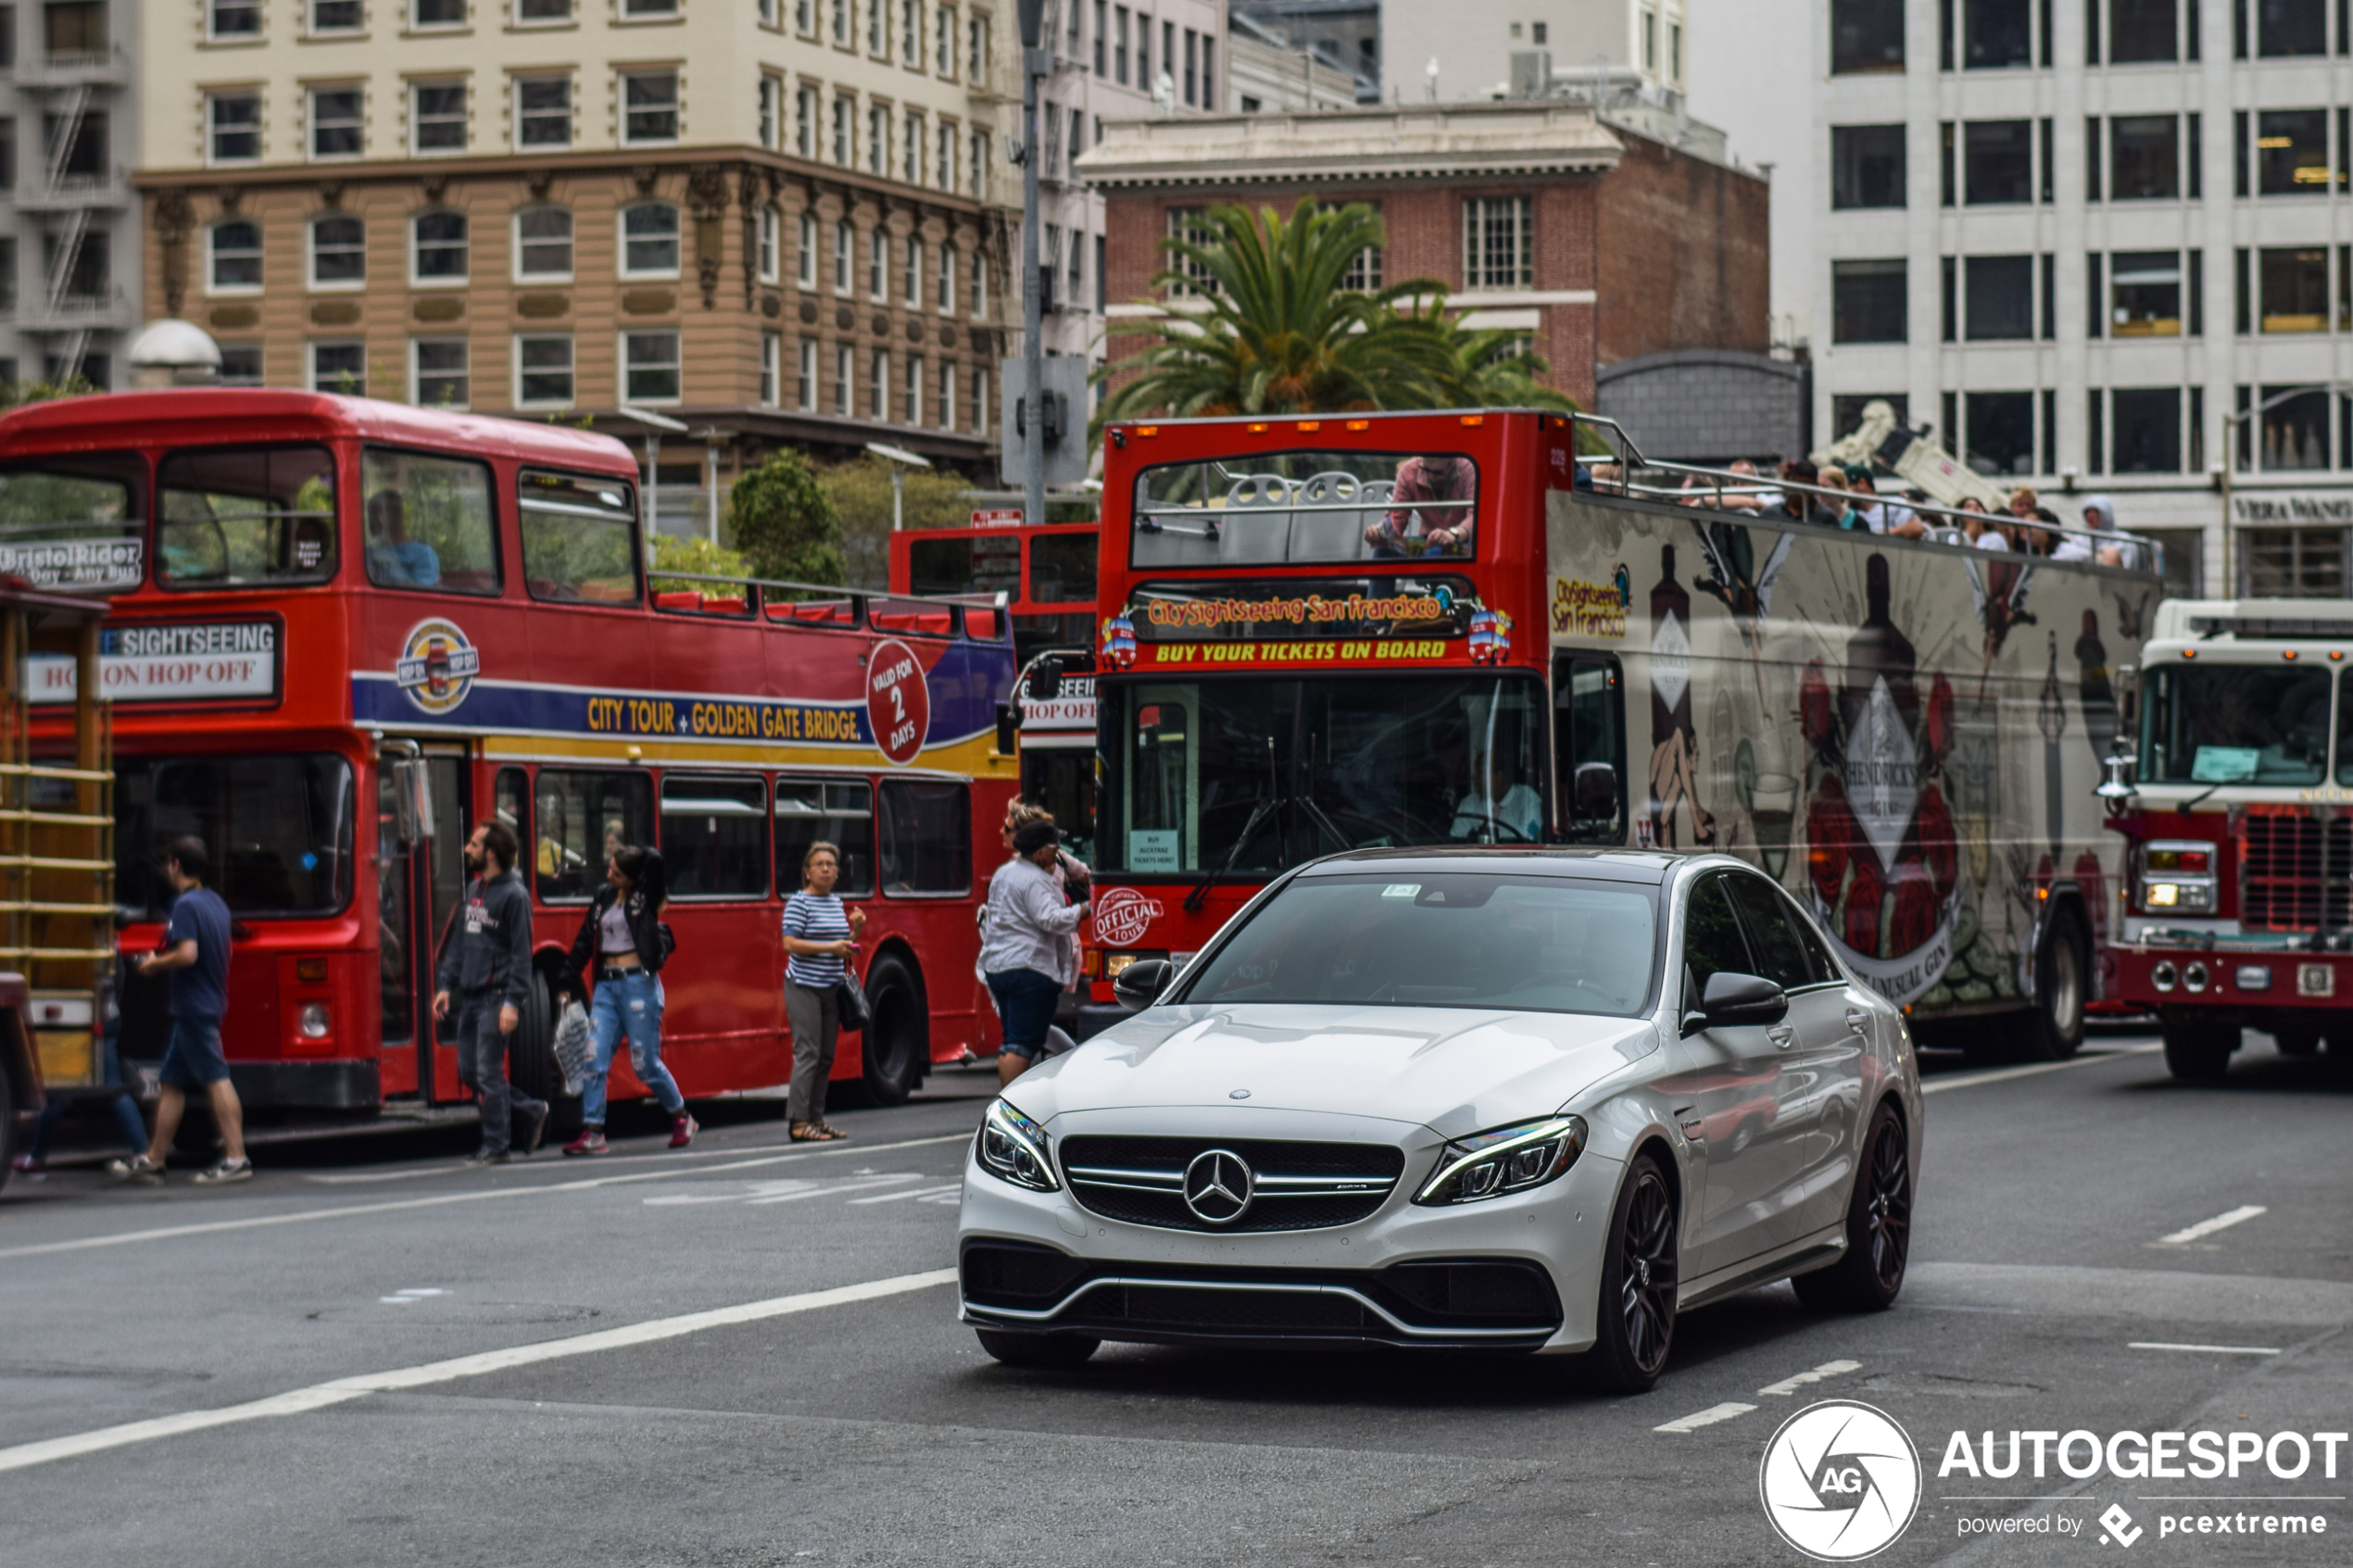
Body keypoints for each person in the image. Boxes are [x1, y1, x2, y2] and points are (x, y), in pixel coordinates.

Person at [108, 836, 249, 1186]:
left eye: (166, 864)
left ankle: (236, 1157)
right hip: (208, 1000)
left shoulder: (185, 906)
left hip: (193, 1005)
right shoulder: (215, 902)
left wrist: (154, 964)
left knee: (216, 1077)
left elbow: (187, 954)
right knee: (171, 1083)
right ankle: (154, 1159)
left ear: (174, 865)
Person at [560, 846, 693, 1156]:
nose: (609, 875)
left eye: (617, 872)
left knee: (644, 1063)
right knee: (593, 1059)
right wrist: (566, 979)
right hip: (607, 987)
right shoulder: (603, 896)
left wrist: (637, 856)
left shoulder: (646, 897)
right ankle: (594, 1132)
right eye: (609, 868)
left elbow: (657, 862)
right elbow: (584, 938)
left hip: (638, 985)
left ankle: (681, 1118)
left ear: (634, 877)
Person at [433, 821, 548, 1165]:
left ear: (492, 852)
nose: (467, 849)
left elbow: (521, 954)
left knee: (488, 1071)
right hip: (470, 996)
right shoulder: (474, 889)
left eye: (474, 844)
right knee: (470, 1072)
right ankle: (531, 1109)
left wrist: (513, 1002)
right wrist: (445, 986)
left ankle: (497, 1146)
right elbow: (460, 943)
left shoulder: (515, 895)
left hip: (497, 996)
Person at [982, 821, 1090, 1086]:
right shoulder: (1035, 880)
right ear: (1040, 853)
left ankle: (1009, 1101)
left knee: (1013, 1041)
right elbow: (1051, 919)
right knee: (1022, 1044)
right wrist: (1087, 908)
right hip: (1028, 969)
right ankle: (1010, 1105)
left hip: (999, 967)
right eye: (1055, 848)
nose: (1057, 853)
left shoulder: (1004, 873)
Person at [14, 972, 147, 1176]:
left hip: (86, 1014)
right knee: (108, 1087)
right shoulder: (111, 946)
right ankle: (142, 1153)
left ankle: (37, 1158)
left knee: (64, 1089)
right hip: (106, 1014)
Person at [781, 840, 864, 1142]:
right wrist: (830, 946)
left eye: (831, 864)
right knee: (808, 1053)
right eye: (820, 864)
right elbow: (789, 943)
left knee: (826, 1056)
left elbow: (843, 947)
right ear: (807, 872)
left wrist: (856, 932)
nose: (826, 869)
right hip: (803, 987)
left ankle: (816, 1118)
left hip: (831, 988)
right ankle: (798, 1121)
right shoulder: (799, 903)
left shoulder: (834, 902)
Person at [1365, 454, 1475, 557]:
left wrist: (1453, 534)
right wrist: (1379, 532)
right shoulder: (1409, 470)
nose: (1430, 476)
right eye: (1426, 470)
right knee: (1382, 551)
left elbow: (1476, 514)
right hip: (1428, 540)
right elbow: (1398, 515)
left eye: (1438, 472)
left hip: (1464, 542)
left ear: (1452, 463)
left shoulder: (1469, 468)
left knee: (1435, 554)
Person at [364, 491, 441, 587]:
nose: (373, 519)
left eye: (379, 511)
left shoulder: (423, 554)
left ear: (396, 514)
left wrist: (393, 564)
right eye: (371, 513)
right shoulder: (368, 555)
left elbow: (423, 594)